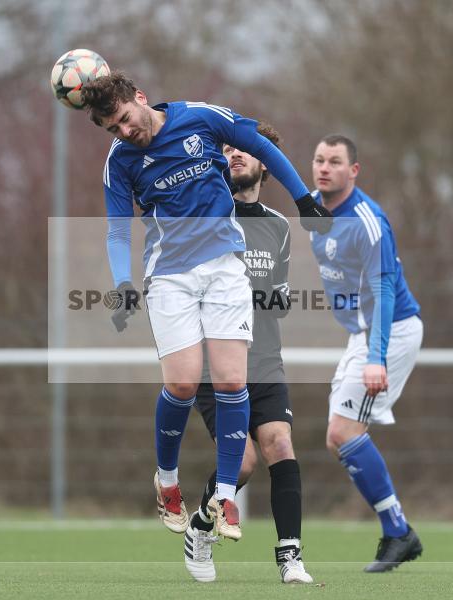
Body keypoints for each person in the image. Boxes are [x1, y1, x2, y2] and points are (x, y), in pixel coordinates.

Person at [80, 72, 332, 542]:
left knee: (233, 379)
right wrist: (122, 283)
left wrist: (303, 199)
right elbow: (118, 230)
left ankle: (224, 498)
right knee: (180, 383)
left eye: (125, 120)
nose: (124, 131)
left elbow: (262, 144)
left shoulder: (200, 118)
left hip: (223, 267)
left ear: (140, 98)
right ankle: (168, 482)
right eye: (113, 128)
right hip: (171, 276)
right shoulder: (120, 162)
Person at [183, 124, 313, 584]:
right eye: (228, 147)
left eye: (245, 149)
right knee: (243, 463)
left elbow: (277, 298)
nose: (235, 153)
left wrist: (264, 294)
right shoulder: (205, 216)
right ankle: (200, 526)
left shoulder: (278, 226)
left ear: (265, 163)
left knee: (279, 442)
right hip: (215, 362)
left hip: (264, 359)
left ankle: (290, 557)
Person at [309, 134, 424, 572]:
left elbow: (383, 291)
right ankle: (398, 531)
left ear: (353, 171)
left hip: (389, 332)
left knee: (341, 432)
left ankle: (399, 533)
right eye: (319, 159)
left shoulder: (368, 221)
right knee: (338, 435)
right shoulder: (313, 209)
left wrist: (377, 357)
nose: (324, 167)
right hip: (361, 334)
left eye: (335, 161)